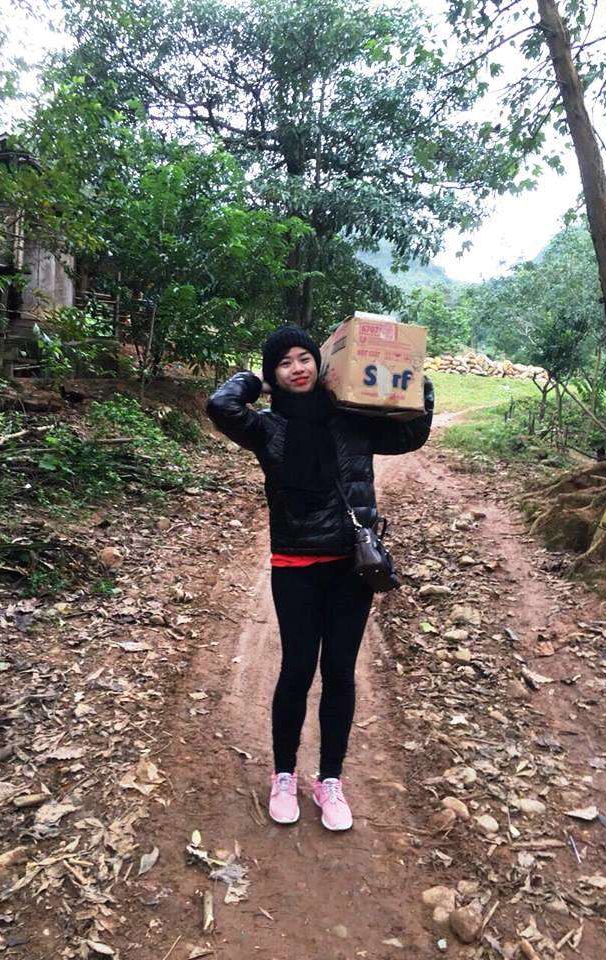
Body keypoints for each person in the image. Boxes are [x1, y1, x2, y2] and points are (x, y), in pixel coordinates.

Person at [206, 325, 433, 831]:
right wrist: (253, 380)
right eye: (284, 362)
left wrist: (416, 382)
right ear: (274, 374)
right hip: (296, 567)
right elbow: (220, 405)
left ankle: (330, 780)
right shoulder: (267, 428)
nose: (297, 368)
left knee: (339, 672)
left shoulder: (352, 418)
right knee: (297, 669)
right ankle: (284, 775)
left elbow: (410, 435)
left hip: (351, 567)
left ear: (320, 363)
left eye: (304, 358)